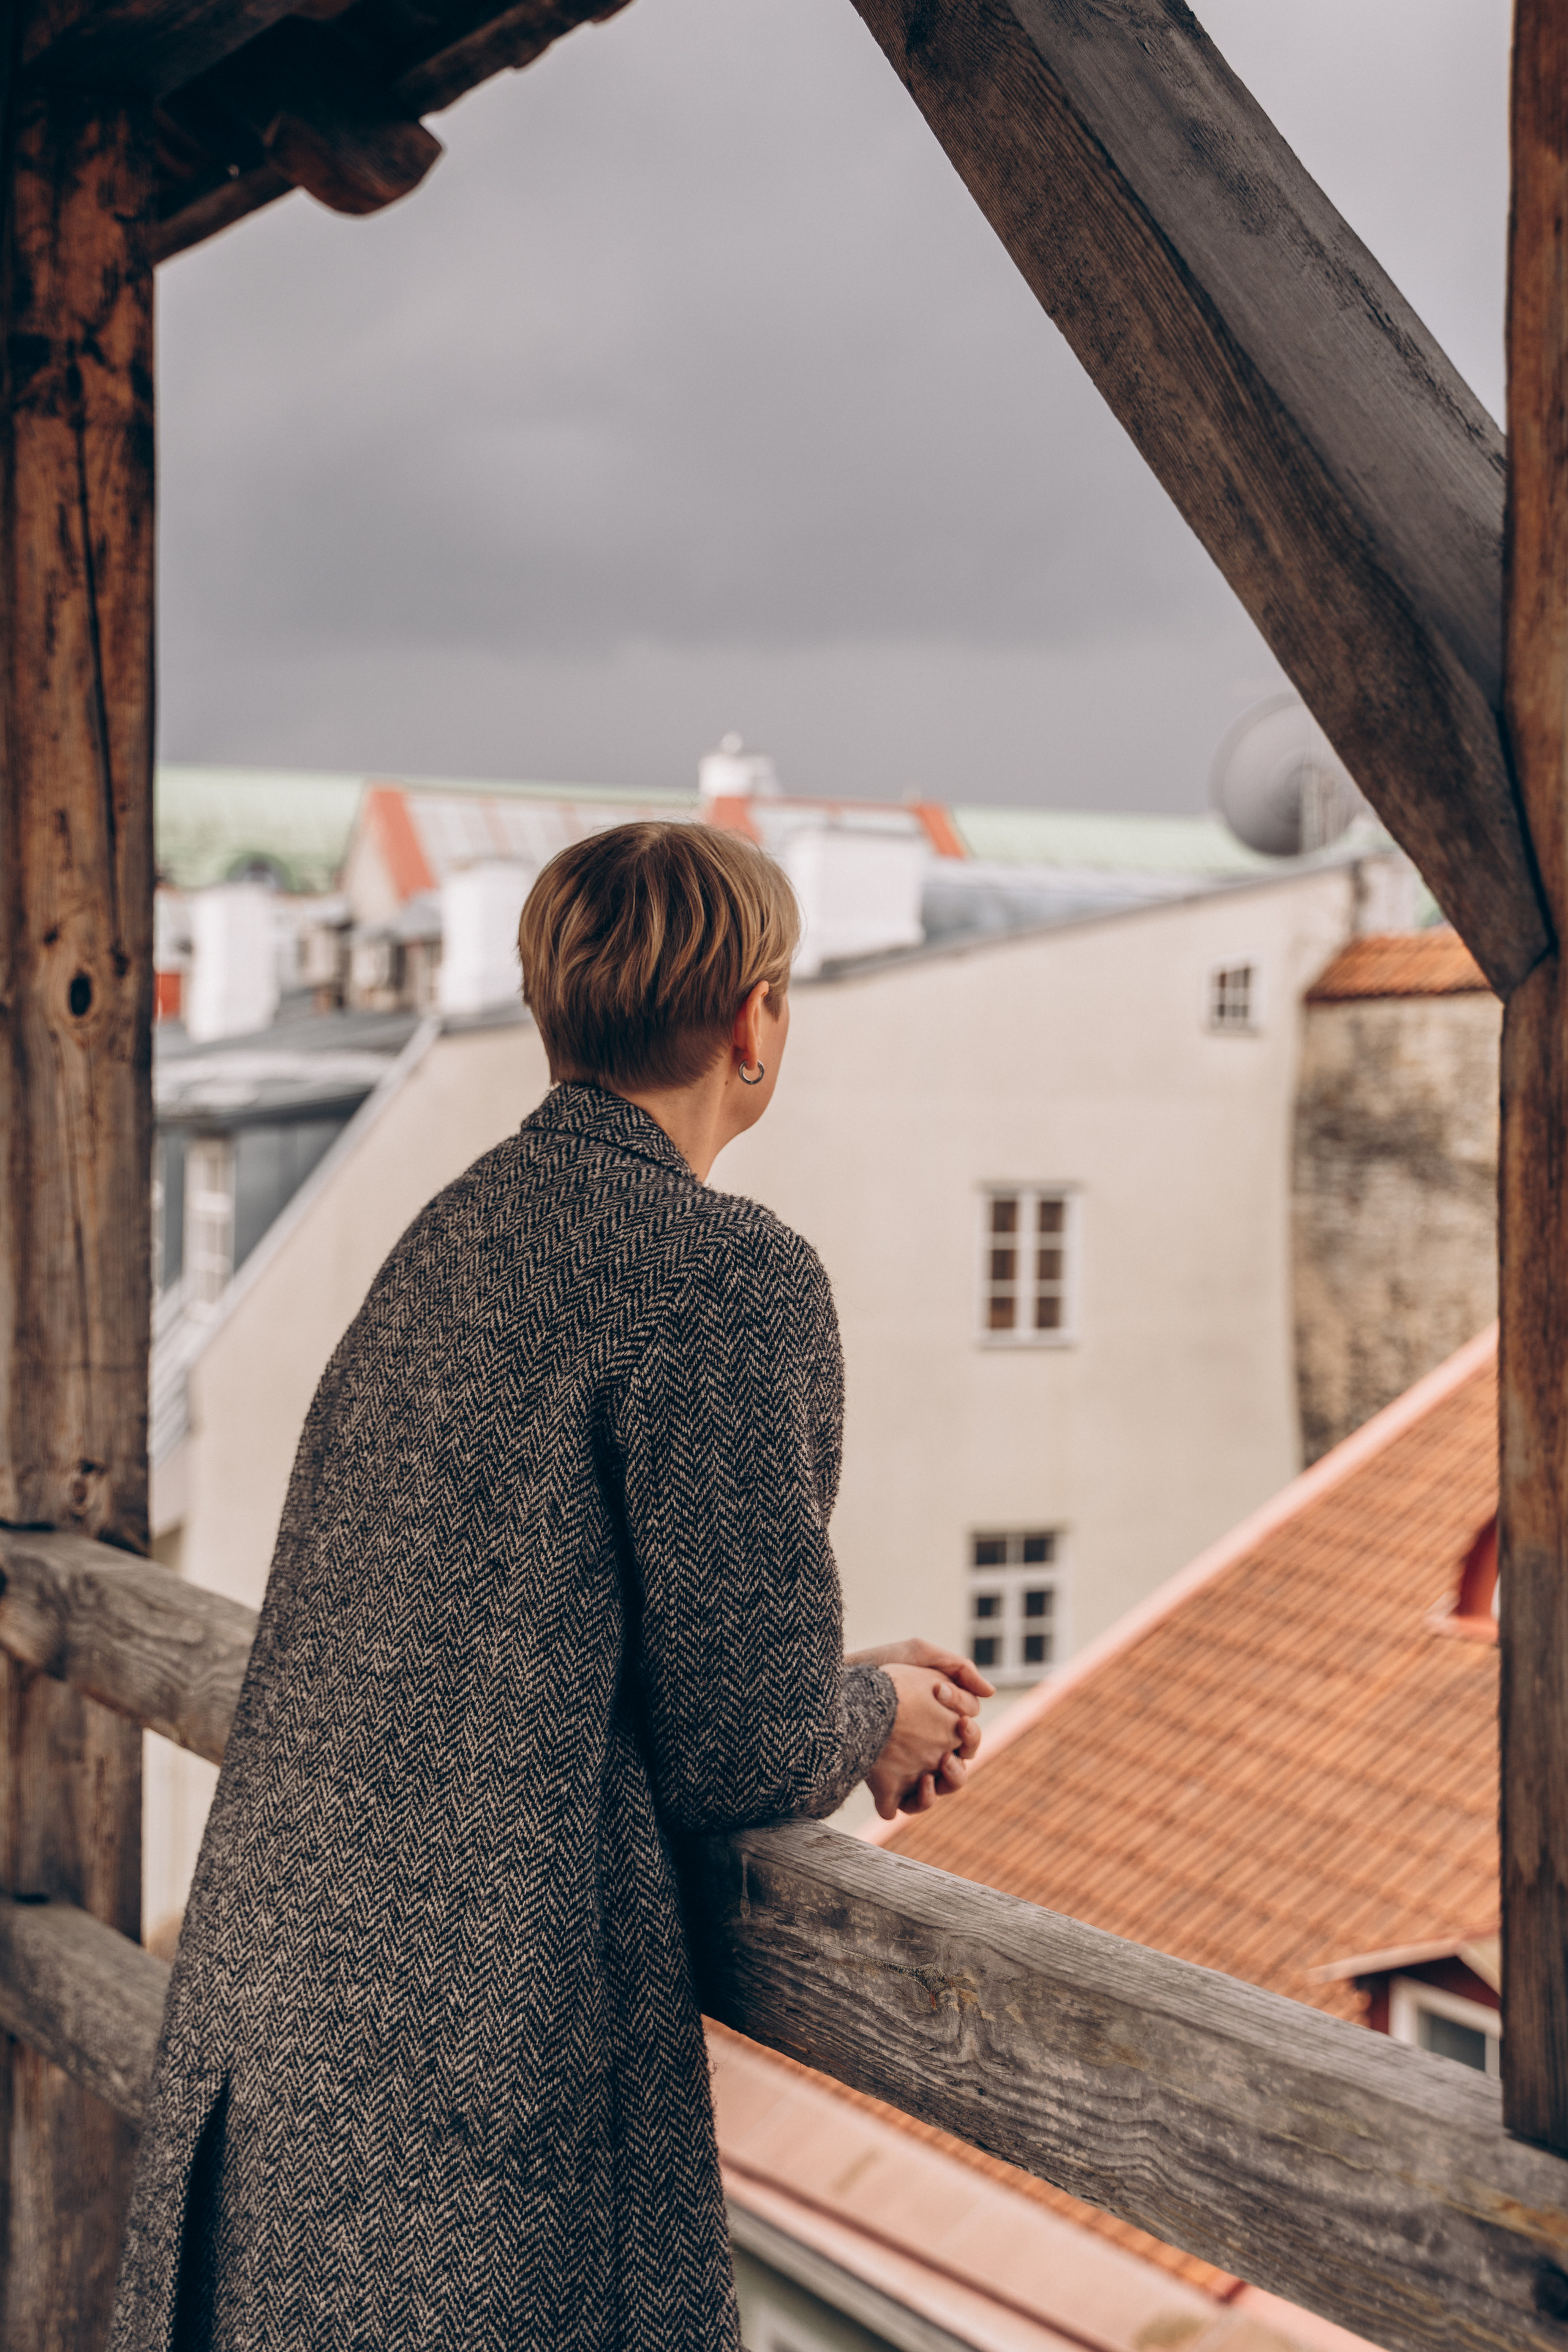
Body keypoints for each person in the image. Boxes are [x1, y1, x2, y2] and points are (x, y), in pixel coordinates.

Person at [110, 820, 992, 2352]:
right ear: (755, 1017)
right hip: (476, 2087)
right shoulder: (724, 1274)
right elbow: (741, 1742)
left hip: (283, 2036)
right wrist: (882, 1714)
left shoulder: (446, 1236)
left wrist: (842, 1686)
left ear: (549, 1006)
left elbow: (525, 1614)